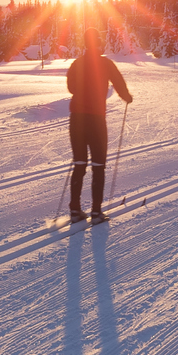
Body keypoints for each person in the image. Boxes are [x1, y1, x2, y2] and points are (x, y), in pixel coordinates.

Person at [65, 28, 133, 222]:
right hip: (95, 119)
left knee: (79, 164)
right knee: (98, 165)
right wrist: (127, 97)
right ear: (99, 43)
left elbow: (70, 87)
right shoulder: (106, 63)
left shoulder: (77, 63)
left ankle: (75, 210)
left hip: (76, 118)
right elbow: (119, 83)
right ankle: (96, 211)